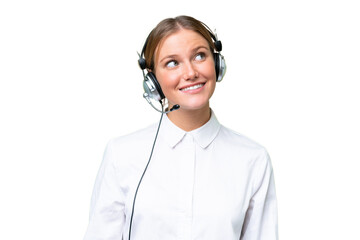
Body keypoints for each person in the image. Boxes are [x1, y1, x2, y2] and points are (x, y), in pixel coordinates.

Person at [83, 15, 278, 240]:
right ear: (153, 82)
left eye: (199, 56)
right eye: (172, 63)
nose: (190, 73)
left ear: (217, 64)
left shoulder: (253, 159)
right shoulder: (122, 155)